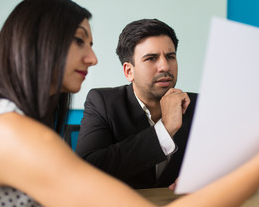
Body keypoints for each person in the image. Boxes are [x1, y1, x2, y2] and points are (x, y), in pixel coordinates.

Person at [0, 0, 259, 207]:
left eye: (170, 56)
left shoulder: (9, 118)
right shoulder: (10, 132)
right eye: (78, 41)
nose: (93, 58)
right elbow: (89, 166)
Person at [75, 19, 198, 189]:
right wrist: (165, 129)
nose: (165, 66)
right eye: (151, 58)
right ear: (128, 71)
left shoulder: (198, 105)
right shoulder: (103, 102)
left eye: (170, 57)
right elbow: (86, 170)